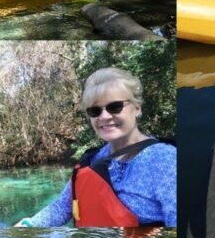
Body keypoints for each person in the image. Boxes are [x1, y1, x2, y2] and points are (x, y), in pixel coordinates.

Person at [16, 67, 176, 227]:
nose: (104, 117)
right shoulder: (93, 159)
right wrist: (25, 230)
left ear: (137, 108)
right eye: (95, 111)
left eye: (115, 106)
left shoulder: (165, 160)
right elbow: (62, 208)